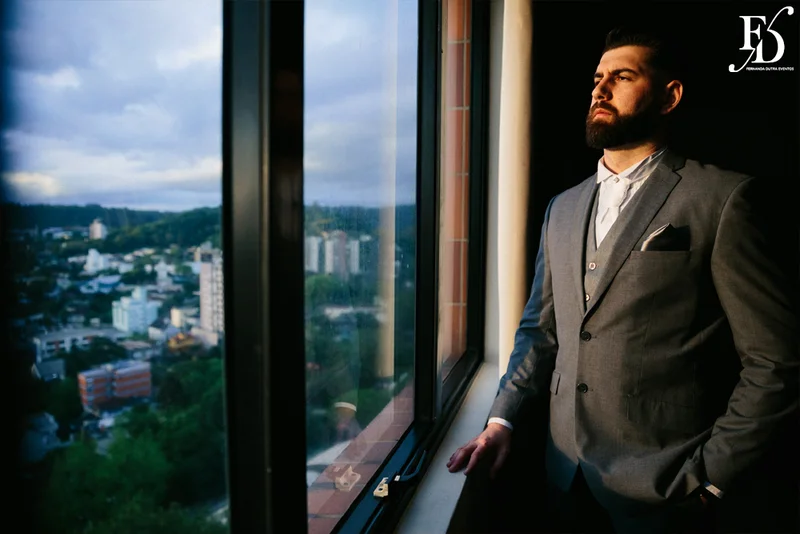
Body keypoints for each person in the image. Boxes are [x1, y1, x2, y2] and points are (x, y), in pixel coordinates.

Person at [447, 26, 799, 534]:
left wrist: (712, 478)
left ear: (669, 96)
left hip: (669, 490)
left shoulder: (723, 200)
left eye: (622, 76)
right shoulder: (561, 208)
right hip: (563, 478)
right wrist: (501, 421)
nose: (599, 89)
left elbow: (777, 361)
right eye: (596, 78)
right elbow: (539, 333)